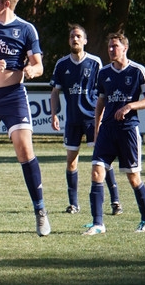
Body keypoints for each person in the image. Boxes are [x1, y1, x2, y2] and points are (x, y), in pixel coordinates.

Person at [0, 0, 52, 236]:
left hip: (13, 96)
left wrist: (32, 70)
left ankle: (40, 211)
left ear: (7, 4)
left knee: (24, 149)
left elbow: (39, 64)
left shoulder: (26, 29)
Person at [83, 31, 145, 235]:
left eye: (115, 46)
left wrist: (130, 106)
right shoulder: (104, 73)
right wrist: (97, 129)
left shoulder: (137, 71)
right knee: (97, 171)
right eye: (109, 46)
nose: (111, 50)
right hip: (107, 130)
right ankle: (98, 223)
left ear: (125, 48)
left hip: (127, 131)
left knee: (133, 178)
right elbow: (100, 103)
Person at [50, 24, 122, 215]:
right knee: (71, 161)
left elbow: (103, 91)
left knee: (102, 160)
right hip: (73, 120)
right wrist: (54, 114)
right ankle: (73, 204)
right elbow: (55, 91)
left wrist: (103, 116)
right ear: (69, 40)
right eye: (72, 36)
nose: (75, 39)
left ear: (85, 40)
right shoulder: (62, 64)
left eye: (79, 36)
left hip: (92, 119)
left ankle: (115, 201)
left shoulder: (95, 62)